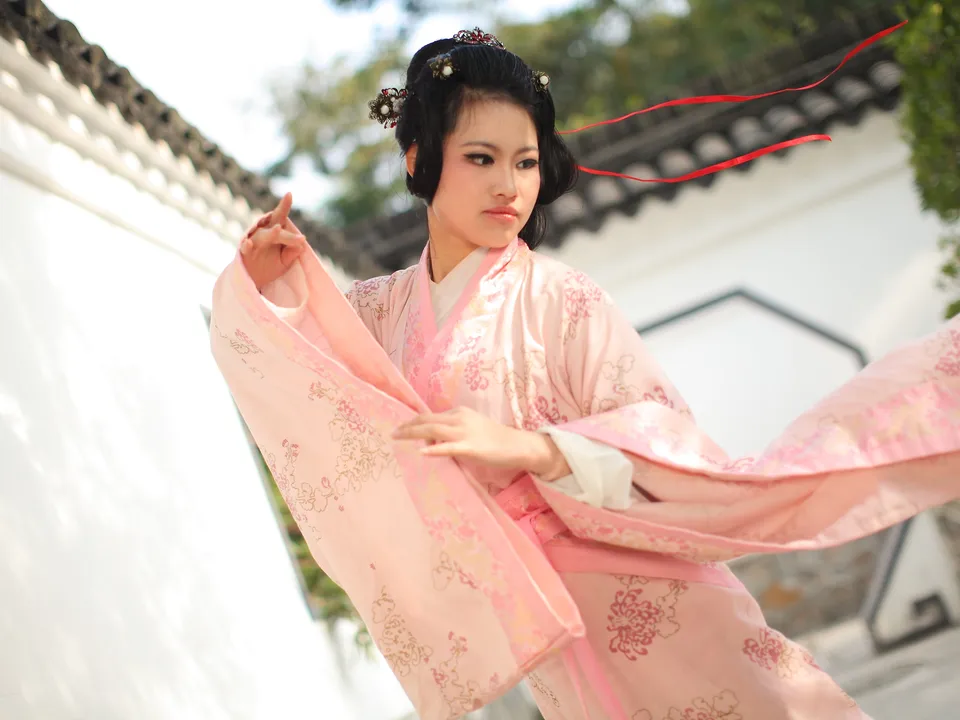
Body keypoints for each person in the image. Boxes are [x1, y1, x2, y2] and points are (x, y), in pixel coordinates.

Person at [213, 28, 959, 720]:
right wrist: (265, 286)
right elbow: (319, 383)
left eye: (525, 161)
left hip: (655, 602)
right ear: (418, 160)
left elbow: (664, 438)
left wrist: (534, 450)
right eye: (481, 158)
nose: (509, 185)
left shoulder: (562, 298)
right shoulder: (378, 313)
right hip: (548, 627)